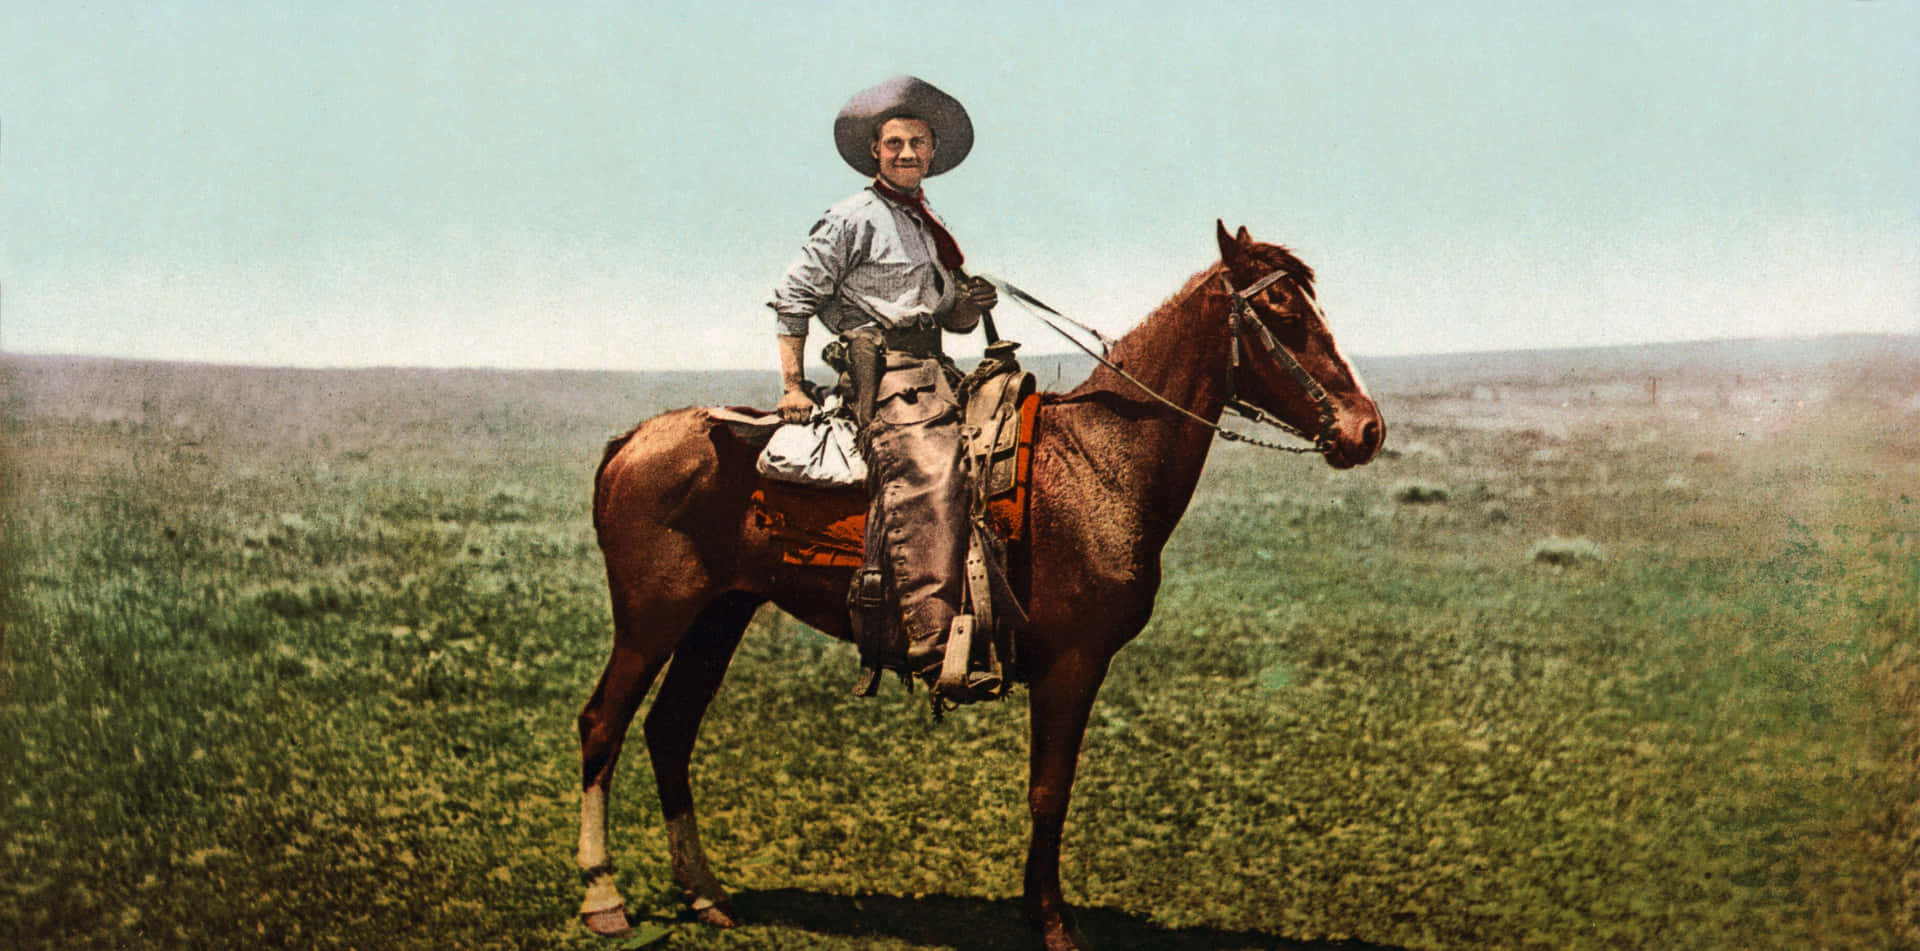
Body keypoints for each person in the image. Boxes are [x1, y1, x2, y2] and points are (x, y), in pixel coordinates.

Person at [768, 76, 999, 702]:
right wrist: (792, 385)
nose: (905, 154)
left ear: (931, 152)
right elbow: (793, 300)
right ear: (875, 150)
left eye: (917, 144)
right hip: (888, 380)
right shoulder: (849, 219)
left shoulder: (927, 223)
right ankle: (931, 643)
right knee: (931, 471)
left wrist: (970, 306)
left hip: (937, 371)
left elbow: (949, 316)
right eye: (894, 143)